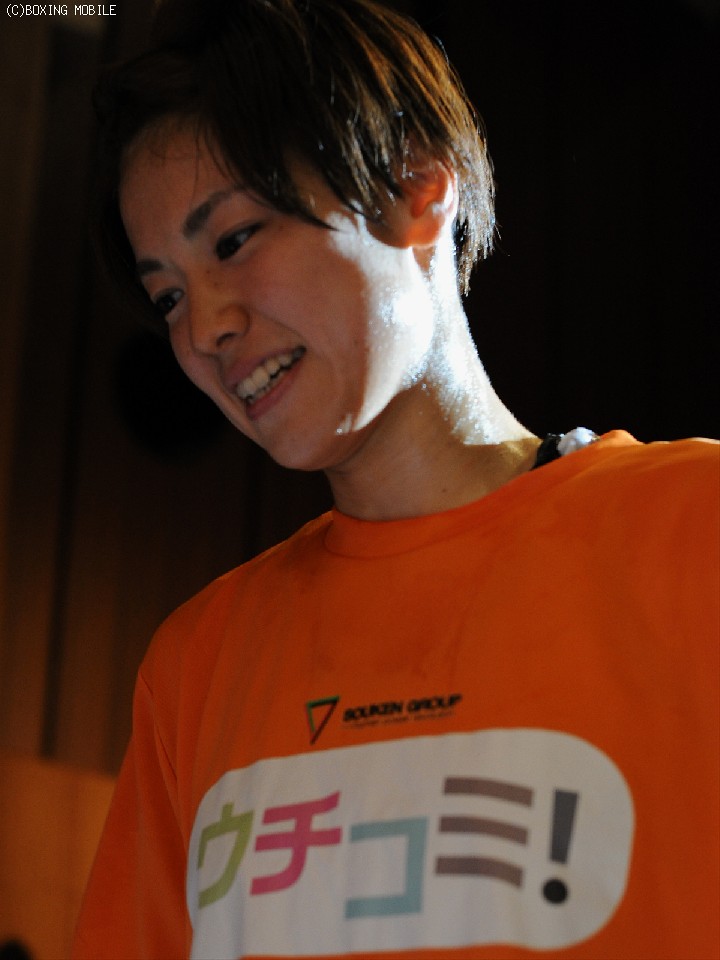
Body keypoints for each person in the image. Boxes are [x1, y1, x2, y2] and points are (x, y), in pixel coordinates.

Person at [72, 0, 719, 957]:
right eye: (166, 294)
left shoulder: (693, 524)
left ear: (417, 187)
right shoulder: (196, 664)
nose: (204, 328)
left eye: (236, 240)